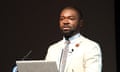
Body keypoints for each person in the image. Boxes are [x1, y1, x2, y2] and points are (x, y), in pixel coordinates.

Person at [45, 5, 102, 72]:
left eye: (71, 18)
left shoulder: (91, 47)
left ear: (80, 23)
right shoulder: (52, 49)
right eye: (62, 19)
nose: (65, 22)